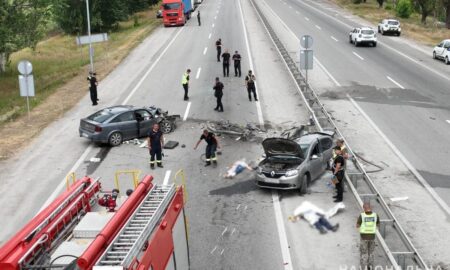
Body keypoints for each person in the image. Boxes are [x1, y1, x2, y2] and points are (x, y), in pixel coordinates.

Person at [356, 203, 379, 270]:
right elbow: (377, 225)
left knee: (363, 253)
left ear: (364, 208)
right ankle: (370, 267)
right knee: (371, 252)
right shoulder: (375, 215)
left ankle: (362, 268)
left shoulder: (362, 216)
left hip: (363, 237)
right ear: (370, 208)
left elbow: (357, 226)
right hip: (372, 237)